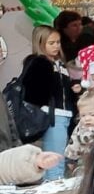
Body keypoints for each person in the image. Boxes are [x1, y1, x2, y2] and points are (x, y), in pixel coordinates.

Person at [19, 25, 74, 179]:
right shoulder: (39, 63)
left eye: (58, 42)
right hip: (52, 115)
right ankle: (53, 191)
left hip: (62, 114)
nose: (56, 46)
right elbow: (34, 94)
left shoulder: (60, 63)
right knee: (54, 161)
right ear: (40, 43)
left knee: (56, 157)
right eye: (51, 43)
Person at [63, 88, 94, 175]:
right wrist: (71, 158)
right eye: (83, 115)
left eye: (92, 114)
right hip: (86, 160)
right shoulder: (80, 127)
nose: (87, 118)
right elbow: (74, 142)